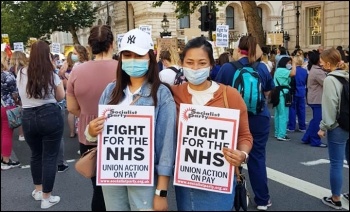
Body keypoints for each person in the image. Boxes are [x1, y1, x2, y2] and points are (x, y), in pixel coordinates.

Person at [86, 28, 177, 211]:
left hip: (145, 180)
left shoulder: (161, 95)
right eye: (127, 55)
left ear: (150, 57)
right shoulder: (110, 91)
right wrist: (91, 131)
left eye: (139, 55)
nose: (132, 60)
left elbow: (166, 147)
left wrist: (161, 192)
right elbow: (98, 136)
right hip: (112, 178)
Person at [170, 36, 252, 211]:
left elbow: (245, 135)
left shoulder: (230, 95)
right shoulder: (172, 94)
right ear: (182, 64)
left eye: (201, 63)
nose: (195, 68)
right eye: (189, 62)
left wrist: (242, 155)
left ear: (211, 65)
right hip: (186, 184)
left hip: (219, 183)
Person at [215, 35, 274, 210]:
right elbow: (269, 91)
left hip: (232, 118)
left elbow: (217, 92)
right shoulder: (262, 68)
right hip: (258, 117)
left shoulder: (227, 68)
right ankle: (263, 200)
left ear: (238, 48)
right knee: (257, 157)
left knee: (228, 157)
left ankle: (229, 196)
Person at [66, 25, 119, 211]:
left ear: (90, 46)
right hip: (122, 135)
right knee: (123, 188)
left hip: (89, 136)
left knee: (98, 189)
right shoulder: (122, 68)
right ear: (112, 44)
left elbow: (71, 107)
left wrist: (88, 116)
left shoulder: (77, 71)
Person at [17, 40, 65, 209]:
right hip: (50, 114)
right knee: (50, 157)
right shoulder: (51, 74)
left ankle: (38, 191)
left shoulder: (21, 72)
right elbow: (60, 97)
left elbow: (21, 96)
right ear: (47, 55)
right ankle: (47, 197)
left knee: (36, 155)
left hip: (28, 116)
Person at [317, 48, 349, 210]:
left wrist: (323, 126)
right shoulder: (347, 75)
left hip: (338, 126)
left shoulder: (330, 80)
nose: (320, 63)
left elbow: (330, 106)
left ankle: (336, 198)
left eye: (322, 61)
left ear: (329, 63)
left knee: (336, 163)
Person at [302, 51, 328, 147]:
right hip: (317, 99)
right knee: (318, 120)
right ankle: (315, 140)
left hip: (314, 98)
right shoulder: (317, 71)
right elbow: (326, 82)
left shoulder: (315, 69)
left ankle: (307, 137)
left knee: (315, 120)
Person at [1, 51, 21, 170]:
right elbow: (15, 94)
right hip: (6, 107)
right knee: (6, 134)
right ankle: (6, 160)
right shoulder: (8, 75)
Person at [272, 57, 296, 141]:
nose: (289, 64)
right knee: (283, 115)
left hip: (278, 93)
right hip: (282, 94)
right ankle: (281, 134)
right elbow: (293, 73)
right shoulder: (282, 70)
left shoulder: (278, 70)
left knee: (278, 114)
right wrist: (294, 63)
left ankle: (277, 132)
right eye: (288, 63)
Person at [9, 51, 29, 141]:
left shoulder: (10, 69)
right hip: (24, 93)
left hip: (14, 94)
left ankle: (21, 134)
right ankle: (23, 133)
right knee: (24, 113)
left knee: (19, 113)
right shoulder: (25, 69)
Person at [287, 55, 308, 133]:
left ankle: (291, 126)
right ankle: (302, 126)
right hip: (302, 90)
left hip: (293, 90)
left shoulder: (291, 70)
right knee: (301, 109)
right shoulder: (304, 71)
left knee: (292, 109)